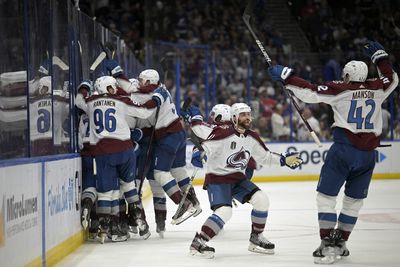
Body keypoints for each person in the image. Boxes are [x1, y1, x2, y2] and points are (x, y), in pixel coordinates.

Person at [268, 40, 398, 264]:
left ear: (347, 75)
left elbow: (310, 92)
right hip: (368, 155)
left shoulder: (341, 89)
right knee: (354, 202)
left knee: (326, 197)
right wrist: (381, 58)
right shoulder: (378, 88)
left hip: (343, 150)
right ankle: (342, 242)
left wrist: (287, 77)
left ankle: (328, 243)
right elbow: (392, 78)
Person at [188, 103, 303, 258]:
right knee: (225, 212)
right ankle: (199, 242)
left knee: (262, 200)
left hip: (238, 179)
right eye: (243, 115)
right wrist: (198, 154)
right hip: (217, 179)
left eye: (249, 114)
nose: (247, 118)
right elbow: (205, 147)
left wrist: (283, 160)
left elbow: (265, 157)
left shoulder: (252, 137)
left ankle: (256, 238)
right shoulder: (223, 132)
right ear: (234, 118)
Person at [106, 59, 202, 225]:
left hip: (168, 135)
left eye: (143, 80)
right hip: (178, 133)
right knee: (178, 170)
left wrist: (119, 81)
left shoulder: (153, 92)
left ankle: (183, 204)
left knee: (159, 174)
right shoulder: (158, 89)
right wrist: (118, 73)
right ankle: (194, 202)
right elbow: (132, 88)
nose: (140, 83)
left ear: (149, 82)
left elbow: (141, 104)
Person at [75, 75, 169, 242]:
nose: (115, 89)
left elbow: (78, 101)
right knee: (129, 187)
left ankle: (105, 229)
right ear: (109, 88)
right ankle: (140, 222)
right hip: (126, 150)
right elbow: (145, 111)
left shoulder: (90, 101)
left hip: (103, 153)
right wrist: (157, 98)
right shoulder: (121, 100)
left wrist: (83, 86)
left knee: (106, 193)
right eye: (113, 87)